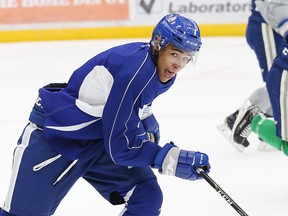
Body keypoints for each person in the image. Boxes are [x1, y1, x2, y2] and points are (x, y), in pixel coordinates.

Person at [0, 13, 211, 216]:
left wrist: (145, 116)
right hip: (56, 138)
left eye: (186, 57)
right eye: (175, 54)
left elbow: (123, 101)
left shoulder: (157, 68)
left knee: (145, 194)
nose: (179, 65)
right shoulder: (137, 72)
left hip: (98, 139)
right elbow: (119, 147)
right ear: (157, 44)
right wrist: (168, 157)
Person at [217, 0, 283, 152]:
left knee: (280, 83)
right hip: (268, 27)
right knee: (279, 81)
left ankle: (268, 129)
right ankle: (233, 123)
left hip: (274, 28)